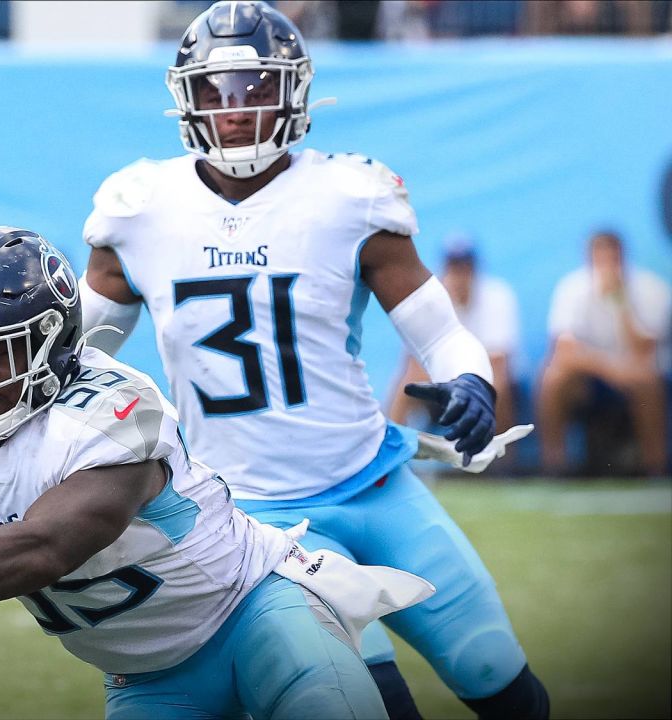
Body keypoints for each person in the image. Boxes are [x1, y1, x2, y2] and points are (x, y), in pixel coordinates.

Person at [77, 2, 549, 718]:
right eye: (216, 91)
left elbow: (441, 331)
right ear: (186, 97)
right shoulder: (140, 209)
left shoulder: (348, 196)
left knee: (496, 674)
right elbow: (76, 359)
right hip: (258, 519)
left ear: (293, 92)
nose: (234, 111)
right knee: (378, 701)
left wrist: (472, 379)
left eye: (254, 89)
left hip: (376, 484)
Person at [0, 227, 436, 720]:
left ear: (56, 341)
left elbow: (48, 544)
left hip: (257, 615)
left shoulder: (113, 409)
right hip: (145, 680)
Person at [538, 230, 670, 477]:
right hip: (592, 376)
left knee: (647, 380)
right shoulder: (572, 288)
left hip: (636, 374)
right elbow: (564, 350)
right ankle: (554, 465)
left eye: (613, 258)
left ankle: (655, 465)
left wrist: (620, 304)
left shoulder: (652, 288)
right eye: (600, 258)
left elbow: (644, 350)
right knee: (554, 379)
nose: (607, 265)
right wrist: (612, 369)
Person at [389, 236, 521, 445]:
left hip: (483, 378)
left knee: (498, 382)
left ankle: (501, 465)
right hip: (444, 379)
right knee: (407, 382)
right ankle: (390, 451)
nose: (460, 275)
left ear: (475, 269)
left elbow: (499, 360)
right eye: (455, 267)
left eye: (465, 267)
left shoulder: (495, 295)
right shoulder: (430, 299)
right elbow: (412, 361)